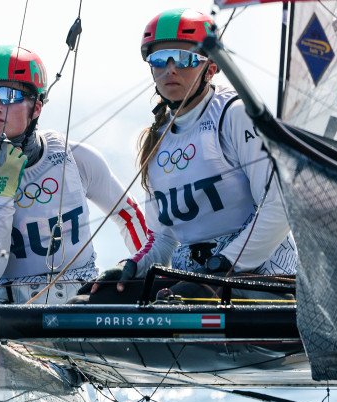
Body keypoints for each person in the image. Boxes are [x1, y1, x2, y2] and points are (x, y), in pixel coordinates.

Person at [80, 9, 297, 303]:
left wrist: (224, 265)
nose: (170, 69)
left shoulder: (234, 115)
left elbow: (280, 207)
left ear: (210, 68)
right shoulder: (155, 138)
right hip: (193, 281)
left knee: (179, 304)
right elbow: (163, 239)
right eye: (160, 59)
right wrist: (130, 267)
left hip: (261, 276)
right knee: (95, 300)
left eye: (183, 58)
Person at [0, 45, 148, 304]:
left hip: (82, 307)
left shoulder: (76, 157)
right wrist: (2, 191)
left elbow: (129, 217)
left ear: (36, 107)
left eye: (7, 95)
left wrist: (149, 276)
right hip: (10, 317)